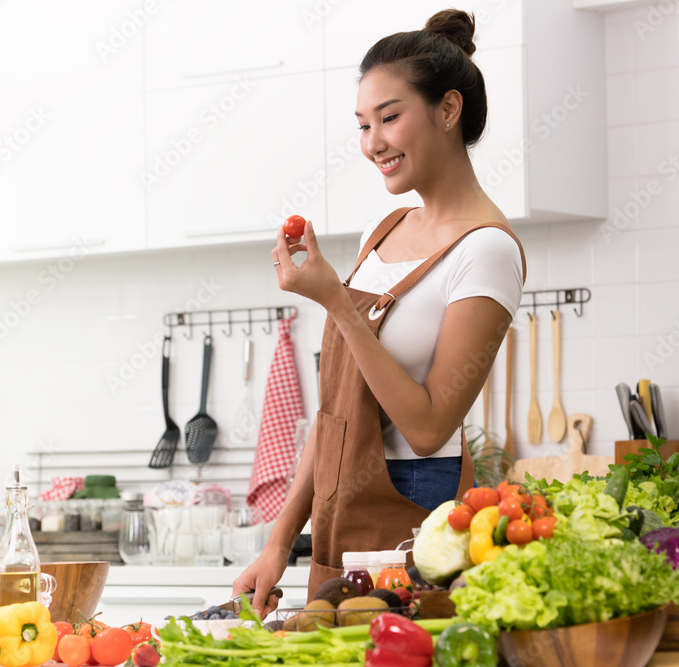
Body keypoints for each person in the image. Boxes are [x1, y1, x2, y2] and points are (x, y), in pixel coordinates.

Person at [233, 9, 527, 617]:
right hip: (338, 499)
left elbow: (426, 427)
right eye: (364, 125)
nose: (372, 144)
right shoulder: (385, 228)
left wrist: (336, 302)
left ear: (448, 111)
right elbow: (335, 412)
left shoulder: (487, 250)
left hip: (413, 499)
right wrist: (279, 543)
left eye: (389, 118)